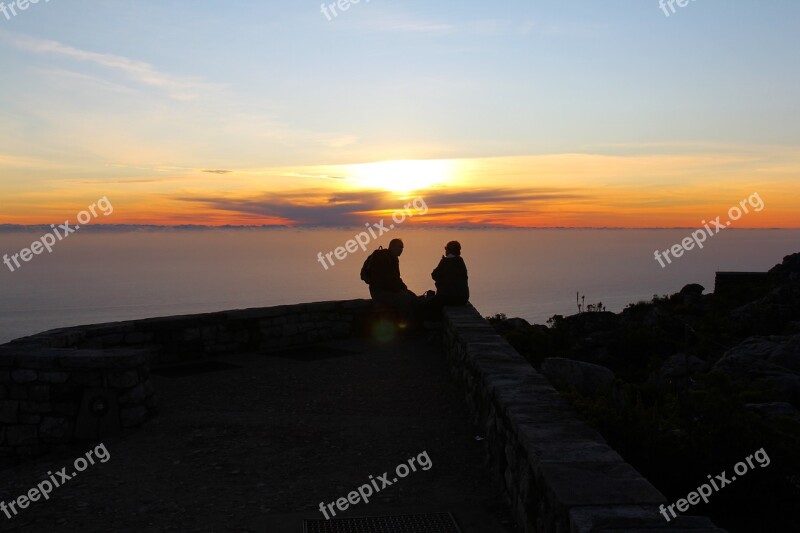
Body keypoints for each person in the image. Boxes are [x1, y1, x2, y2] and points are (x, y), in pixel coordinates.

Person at [366, 238, 418, 326]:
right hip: (379, 293)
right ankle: (404, 326)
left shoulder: (393, 259)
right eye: (399, 247)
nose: (401, 250)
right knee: (405, 299)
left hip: (386, 291)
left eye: (402, 248)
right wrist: (401, 290)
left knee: (411, 297)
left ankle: (410, 325)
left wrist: (405, 289)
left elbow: (396, 278)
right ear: (392, 247)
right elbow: (385, 281)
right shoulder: (383, 259)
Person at [424, 241, 469, 319]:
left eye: (446, 249)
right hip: (463, 298)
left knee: (426, 305)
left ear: (448, 250)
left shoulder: (445, 261)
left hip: (448, 297)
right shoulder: (460, 261)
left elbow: (434, 275)